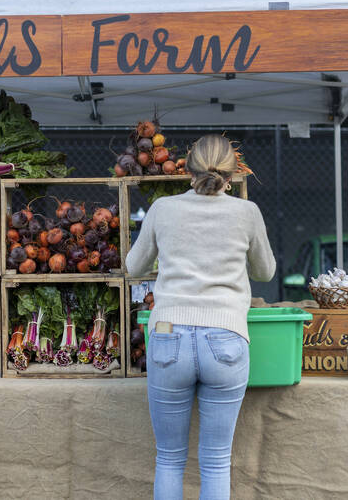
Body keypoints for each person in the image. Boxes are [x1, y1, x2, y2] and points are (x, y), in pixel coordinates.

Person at [126, 134, 276, 500]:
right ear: (233, 172)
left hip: (167, 334)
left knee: (169, 459)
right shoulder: (248, 212)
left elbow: (133, 267)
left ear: (188, 169)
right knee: (215, 461)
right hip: (226, 336)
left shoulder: (163, 208)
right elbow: (266, 271)